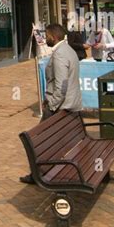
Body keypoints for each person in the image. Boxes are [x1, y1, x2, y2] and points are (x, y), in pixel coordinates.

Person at [20, 24, 82, 183]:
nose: (45, 38)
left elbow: (63, 84)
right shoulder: (69, 50)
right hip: (71, 105)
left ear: (54, 37)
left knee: (37, 140)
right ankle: (40, 172)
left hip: (60, 107)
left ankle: (37, 174)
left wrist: (52, 104)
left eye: (47, 35)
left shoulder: (60, 55)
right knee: (52, 141)